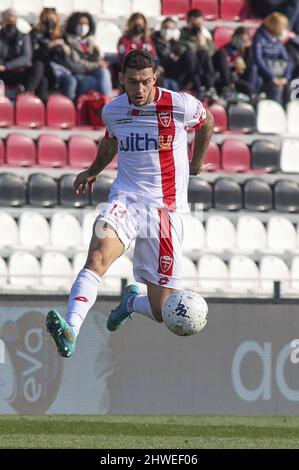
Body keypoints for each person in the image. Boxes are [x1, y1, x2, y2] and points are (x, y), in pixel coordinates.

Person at [46, 50, 214, 358]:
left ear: (155, 78)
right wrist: (93, 171)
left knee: (162, 310)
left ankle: (131, 303)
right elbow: (111, 141)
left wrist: (197, 161)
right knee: (97, 258)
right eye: (133, 82)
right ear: (121, 79)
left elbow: (207, 122)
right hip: (125, 200)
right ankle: (71, 329)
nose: (139, 89)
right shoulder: (113, 110)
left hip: (165, 212)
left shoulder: (179, 105)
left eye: (146, 82)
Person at [0, 8, 47, 101]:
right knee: (43, 81)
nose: (11, 24)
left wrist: (6, 66)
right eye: (8, 21)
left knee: (40, 68)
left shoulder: (24, 36)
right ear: (3, 21)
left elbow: (26, 58)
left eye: (14, 21)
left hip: (17, 71)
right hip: (3, 73)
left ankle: (27, 95)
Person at [31, 7, 77, 100]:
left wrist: (64, 47)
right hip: (44, 69)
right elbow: (34, 54)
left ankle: (68, 108)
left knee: (71, 80)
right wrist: (50, 45)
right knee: (44, 85)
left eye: (52, 19)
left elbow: (70, 54)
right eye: (47, 19)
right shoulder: (35, 33)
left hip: (60, 68)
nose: (50, 21)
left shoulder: (61, 34)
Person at [64, 11, 113, 97]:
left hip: (90, 71)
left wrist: (97, 52)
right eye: (80, 23)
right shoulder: (68, 41)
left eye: (86, 24)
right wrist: (97, 65)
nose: (83, 27)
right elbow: (77, 63)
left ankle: (108, 102)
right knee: (90, 81)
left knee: (104, 72)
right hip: (77, 73)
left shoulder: (89, 42)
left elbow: (96, 60)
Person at [252, 12, 292, 105]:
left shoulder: (277, 39)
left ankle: (287, 112)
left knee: (287, 86)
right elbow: (258, 60)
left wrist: (286, 77)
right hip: (264, 75)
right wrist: (272, 77)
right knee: (276, 87)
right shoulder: (259, 37)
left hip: (278, 74)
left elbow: (287, 60)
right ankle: (275, 113)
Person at [179, 9, 218, 101]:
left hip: (204, 68)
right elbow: (185, 49)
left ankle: (210, 88)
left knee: (205, 53)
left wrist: (203, 45)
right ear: (188, 22)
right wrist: (198, 43)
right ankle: (200, 88)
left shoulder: (205, 36)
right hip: (188, 69)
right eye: (194, 24)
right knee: (191, 54)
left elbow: (213, 52)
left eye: (199, 25)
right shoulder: (182, 34)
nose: (197, 27)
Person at [152, 17, 199, 91]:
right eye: (166, 27)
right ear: (161, 28)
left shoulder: (176, 43)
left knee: (190, 55)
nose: (168, 31)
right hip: (164, 71)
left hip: (176, 70)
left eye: (171, 28)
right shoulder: (154, 42)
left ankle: (197, 86)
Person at [214, 27, 255, 101]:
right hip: (226, 78)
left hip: (238, 77)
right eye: (240, 38)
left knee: (253, 70)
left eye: (244, 40)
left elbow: (247, 66)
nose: (241, 42)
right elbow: (224, 68)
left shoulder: (243, 52)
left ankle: (252, 97)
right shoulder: (224, 50)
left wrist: (248, 49)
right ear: (234, 36)